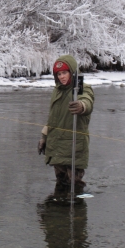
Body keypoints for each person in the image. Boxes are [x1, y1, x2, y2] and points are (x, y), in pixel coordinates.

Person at [38, 55, 95, 190]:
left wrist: (82, 106)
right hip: (57, 147)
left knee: (74, 188)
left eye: (64, 73)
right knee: (60, 187)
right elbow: (52, 118)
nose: (61, 77)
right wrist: (44, 138)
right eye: (58, 74)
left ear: (72, 72)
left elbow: (88, 101)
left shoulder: (80, 88)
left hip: (73, 147)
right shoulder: (57, 91)